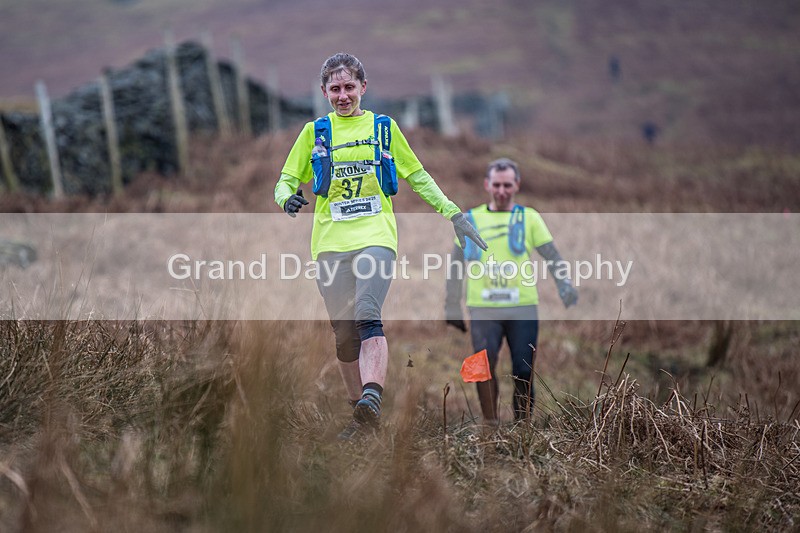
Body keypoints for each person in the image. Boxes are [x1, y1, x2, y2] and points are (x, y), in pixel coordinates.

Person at [274, 52, 487, 440]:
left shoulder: (384, 129)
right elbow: (285, 179)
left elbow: (417, 175)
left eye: (349, 87)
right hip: (328, 244)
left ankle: (372, 397)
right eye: (335, 89)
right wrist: (287, 198)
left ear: (363, 88)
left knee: (367, 314)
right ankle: (361, 417)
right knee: (343, 333)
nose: (343, 95)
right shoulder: (315, 133)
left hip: (376, 237)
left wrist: (454, 213)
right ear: (324, 92)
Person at [445, 158, 578, 425]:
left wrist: (564, 284)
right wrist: (451, 305)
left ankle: (522, 428)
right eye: (496, 185)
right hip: (482, 308)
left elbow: (551, 255)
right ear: (487, 184)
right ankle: (490, 426)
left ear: (517, 185)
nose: (502, 191)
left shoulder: (530, 218)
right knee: (482, 367)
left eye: (507, 185)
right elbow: (455, 264)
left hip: (523, 308)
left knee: (523, 371)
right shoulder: (469, 219)